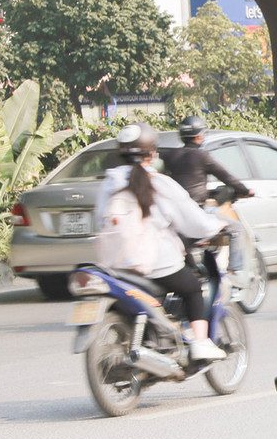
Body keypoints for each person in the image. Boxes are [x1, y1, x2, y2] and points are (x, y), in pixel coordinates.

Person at [94, 122, 228, 361]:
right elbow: (193, 222)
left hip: (116, 266)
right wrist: (217, 225)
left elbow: (100, 218)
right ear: (153, 153)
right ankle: (199, 343)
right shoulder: (159, 183)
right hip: (156, 264)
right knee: (193, 289)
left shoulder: (109, 183)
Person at [163, 114, 255, 278]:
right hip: (197, 214)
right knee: (236, 229)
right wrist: (246, 190)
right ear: (199, 136)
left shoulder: (169, 157)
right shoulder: (202, 156)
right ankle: (235, 273)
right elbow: (226, 177)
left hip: (173, 216)